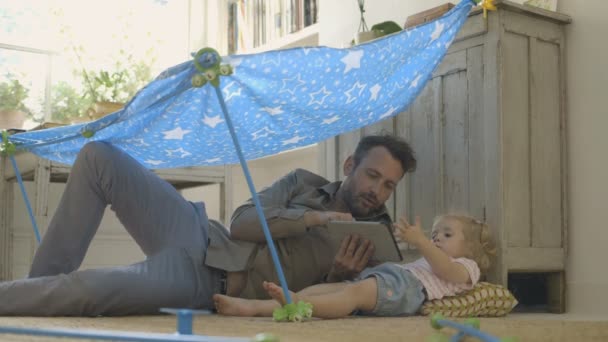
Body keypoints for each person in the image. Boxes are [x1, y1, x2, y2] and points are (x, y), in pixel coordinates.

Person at [0, 134, 416, 316]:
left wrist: (338, 277)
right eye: (372, 176)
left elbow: (310, 306)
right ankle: (36, 293)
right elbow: (242, 224)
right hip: (199, 232)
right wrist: (315, 217)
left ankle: (28, 297)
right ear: (350, 166)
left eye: (388, 186)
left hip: (205, 284)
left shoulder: (375, 245)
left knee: (87, 291)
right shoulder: (301, 184)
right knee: (98, 157)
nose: (376, 191)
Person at [213, 214, 496, 319]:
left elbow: (445, 270)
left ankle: (299, 302)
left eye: (446, 234)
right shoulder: (439, 255)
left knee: (352, 295)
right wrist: (424, 242)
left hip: (406, 289)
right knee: (330, 288)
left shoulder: (466, 267)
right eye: (435, 233)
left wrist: (421, 242)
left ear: (471, 248)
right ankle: (253, 307)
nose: (436, 238)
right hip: (391, 278)